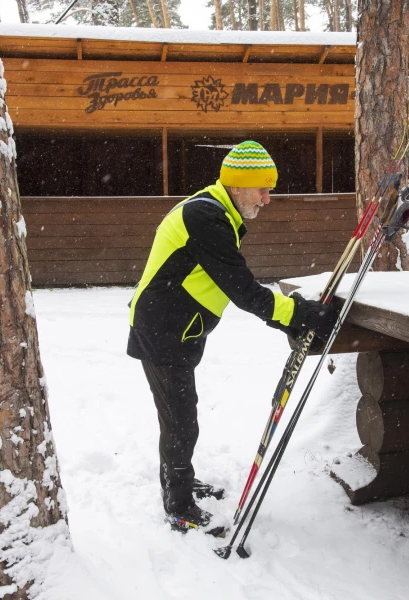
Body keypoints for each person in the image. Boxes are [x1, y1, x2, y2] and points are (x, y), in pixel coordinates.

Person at [127, 141, 338, 536]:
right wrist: (300, 315)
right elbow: (242, 290)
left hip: (175, 328)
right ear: (238, 185)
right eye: (262, 188)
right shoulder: (207, 216)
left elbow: (230, 285)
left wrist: (288, 318)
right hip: (162, 331)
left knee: (179, 415)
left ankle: (181, 482)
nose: (267, 199)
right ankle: (179, 505)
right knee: (180, 421)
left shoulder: (216, 210)